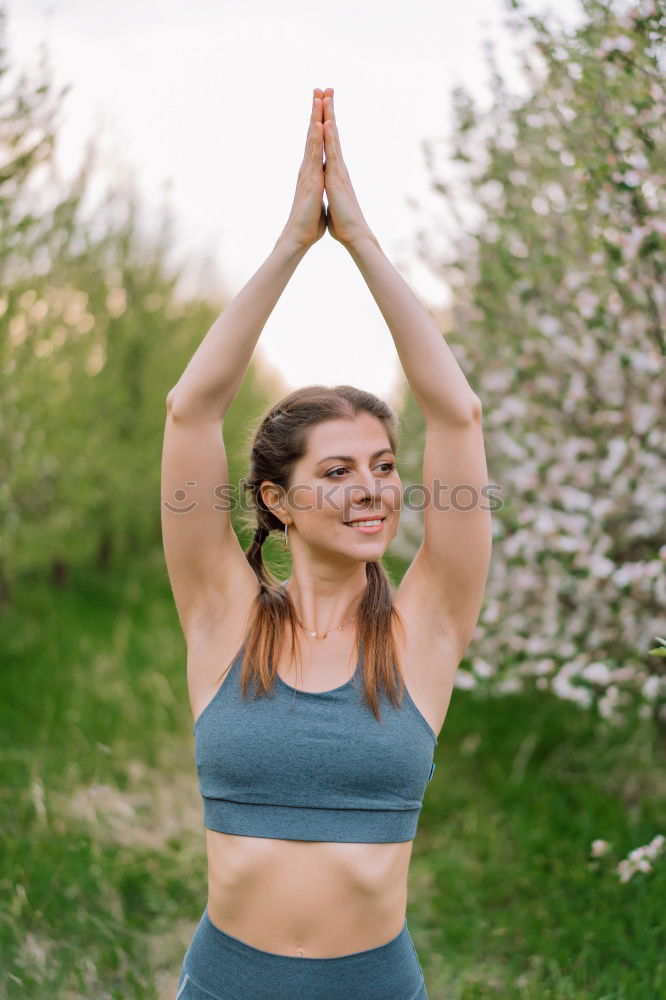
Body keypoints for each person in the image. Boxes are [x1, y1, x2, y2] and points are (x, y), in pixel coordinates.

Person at [162, 86, 492, 1000]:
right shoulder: (222, 617)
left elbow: (457, 411)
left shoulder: (425, 628)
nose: (373, 490)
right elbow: (190, 408)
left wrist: (360, 242)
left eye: (384, 467)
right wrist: (292, 245)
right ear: (278, 498)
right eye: (338, 472)